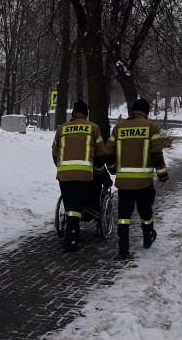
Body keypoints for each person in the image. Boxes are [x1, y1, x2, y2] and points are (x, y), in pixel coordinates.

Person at [105, 97, 169, 260]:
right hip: (144, 182)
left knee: (124, 217)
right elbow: (156, 155)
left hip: (124, 183)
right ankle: (148, 239)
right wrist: (162, 175)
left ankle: (123, 250)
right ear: (146, 112)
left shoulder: (119, 128)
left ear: (133, 111)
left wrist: (113, 170)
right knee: (145, 212)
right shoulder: (151, 127)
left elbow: (108, 152)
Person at [52, 100, 110, 251]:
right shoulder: (93, 128)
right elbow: (100, 155)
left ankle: (71, 231)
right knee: (75, 207)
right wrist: (100, 172)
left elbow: (55, 154)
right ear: (86, 113)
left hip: (64, 175)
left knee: (70, 203)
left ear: (73, 113)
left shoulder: (62, 129)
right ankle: (71, 239)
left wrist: (63, 167)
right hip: (84, 175)